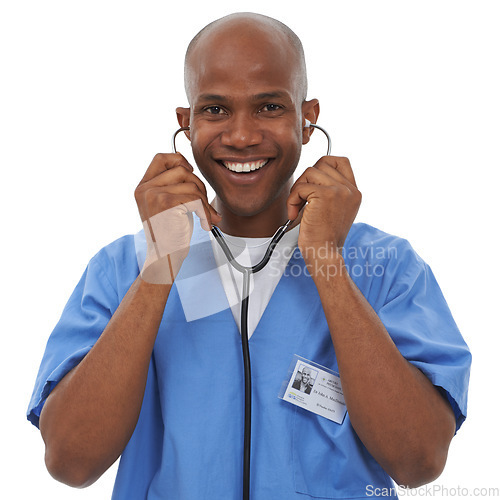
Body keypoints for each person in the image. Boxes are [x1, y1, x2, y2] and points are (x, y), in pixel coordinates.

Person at [28, 12, 471, 499]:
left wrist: (325, 259)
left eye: (268, 107)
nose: (241, 136)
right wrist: (163, 262)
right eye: (215, 110)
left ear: (308, 119)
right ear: (186, 122)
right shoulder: (124, 268)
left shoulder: (387, 267)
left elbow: (419, 461)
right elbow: (70, 463)